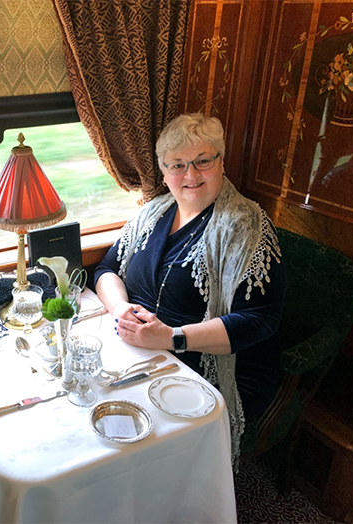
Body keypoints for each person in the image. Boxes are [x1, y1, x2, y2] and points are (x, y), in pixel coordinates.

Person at [94, 113, 286, 461]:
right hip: (140, 347)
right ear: (164, 172)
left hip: (210, 362)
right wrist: (120, 309)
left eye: (202, 162)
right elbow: (107, 269)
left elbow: (260, 320)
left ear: (221, 163)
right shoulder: (154, 211)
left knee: (132, 445)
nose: (191, 175)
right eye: (178, 165)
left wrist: (171, 337)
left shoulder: (246, 228)